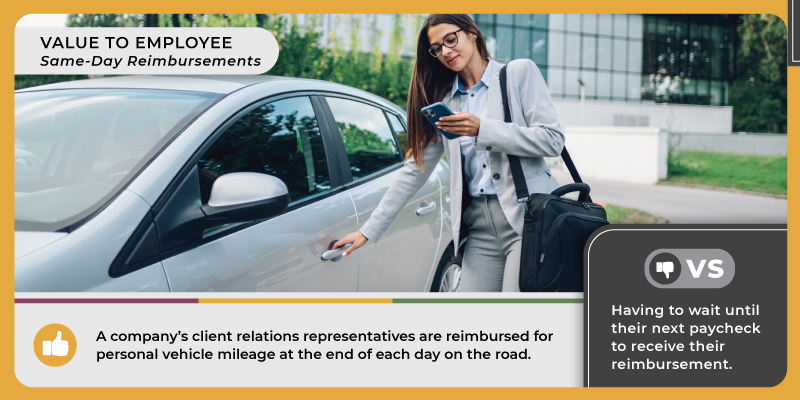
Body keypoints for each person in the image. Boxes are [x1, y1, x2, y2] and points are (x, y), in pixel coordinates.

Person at [333, 14, 564, 292]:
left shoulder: (517, 74)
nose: (445, 51)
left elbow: (553, 140)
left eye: (451, 39)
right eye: (437, 48)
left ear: (472, 33)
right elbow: (413, 170)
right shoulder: (445, 102)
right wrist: (367, 231)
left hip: (527, 219)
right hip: (478, 226)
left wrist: (482, 129)